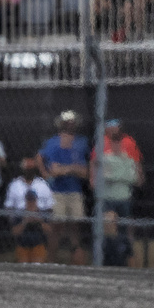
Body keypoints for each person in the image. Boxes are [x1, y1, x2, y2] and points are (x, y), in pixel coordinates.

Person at [38, 111, 90, 261]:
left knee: (75, 226)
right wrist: (46, 174)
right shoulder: (52, 142)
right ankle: (51, 258)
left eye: (72, 121)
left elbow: (84, 171)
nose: (70, 124)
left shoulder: (81, 142)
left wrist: (63, 169)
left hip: (75, 190)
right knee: (56, 226)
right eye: (67, 121)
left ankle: (75, 259)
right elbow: (46, 163)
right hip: (56, 191)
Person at [94, 119, 142, 218]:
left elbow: (135, 177)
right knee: (109, 222)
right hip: (107, 197)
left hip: (125, 197)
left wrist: (116, 175)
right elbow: (103, 174)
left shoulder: (128, 157)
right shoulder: (104, 156)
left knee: (127, 222)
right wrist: (122, 176)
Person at [12, 190, 52, 264]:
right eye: (29, 200)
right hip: (23, 245)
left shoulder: (42, 213)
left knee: (37, 265)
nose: (31, 203)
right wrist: (25, 221)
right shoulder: (20, 214)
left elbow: (49, 230)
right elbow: (15, 232)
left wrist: (39, 220)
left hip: (38, 244)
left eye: (32, 200)